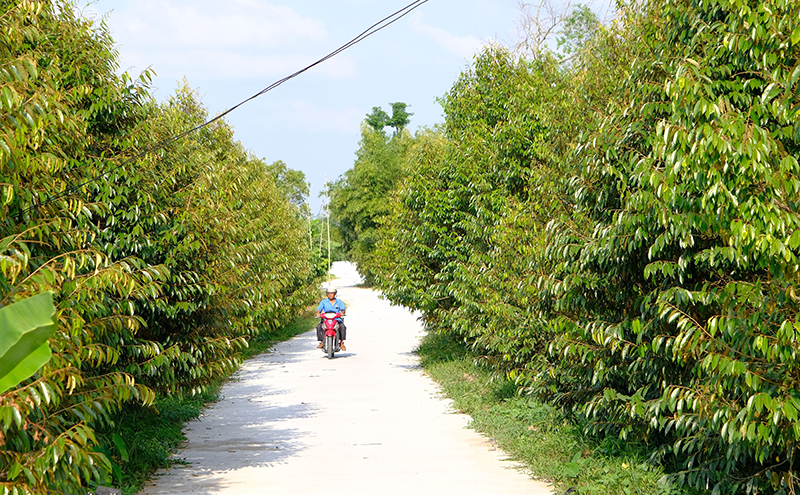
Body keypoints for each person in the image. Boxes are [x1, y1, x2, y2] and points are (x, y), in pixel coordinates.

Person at [316, 286, 346, 351]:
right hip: (326, 319)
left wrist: (342, 313)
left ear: (335, 294)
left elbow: (342, 309)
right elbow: (319, 309)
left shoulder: (339, 302)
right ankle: (321, 342)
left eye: (332, 293)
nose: (330, 295)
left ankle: (341, 343)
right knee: (319, 327)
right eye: (329, 293)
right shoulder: (324, 301)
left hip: (336, 319)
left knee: (343, 327)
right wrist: (318, 313)